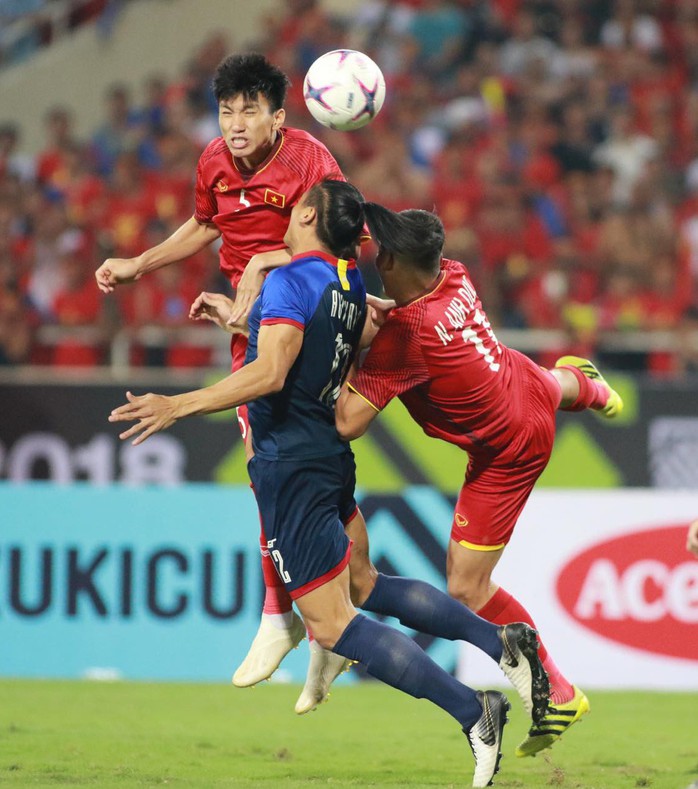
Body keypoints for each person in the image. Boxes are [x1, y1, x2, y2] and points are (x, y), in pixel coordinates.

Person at [109, 179, 531, 788]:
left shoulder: (290, 279)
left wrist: (178, 405)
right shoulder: (345, 280)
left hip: (291, 468)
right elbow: (323, 338)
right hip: (329, 455)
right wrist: (239, 316)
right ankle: (501, 640)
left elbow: (273, 369)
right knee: (364, 582)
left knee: (332, 625)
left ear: (306, 214)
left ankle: (475, 712)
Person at [94, 52, 356, 703]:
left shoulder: (310, 161)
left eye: (250, 110)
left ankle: (282, 615)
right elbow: (208, 222)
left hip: (302, 313)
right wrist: (141, 262)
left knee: (270, 465)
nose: (236, 124)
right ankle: (329, 625)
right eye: (227, 109)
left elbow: (339, 239)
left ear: (277, 115)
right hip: (254, 320)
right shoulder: (212, 160)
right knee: (312, 464)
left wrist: (261, 266)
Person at [332, 204, 624, 758]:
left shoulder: (404, 339)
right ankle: (591, 387)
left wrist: (349, 349)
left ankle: (557, 690)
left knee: (466, 585)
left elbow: (347, 423)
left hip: (509, 449)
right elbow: (409, 313)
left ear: (391, 261)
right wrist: (380, 313)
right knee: (550, 380)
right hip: (520, 382)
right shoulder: (455, 275)